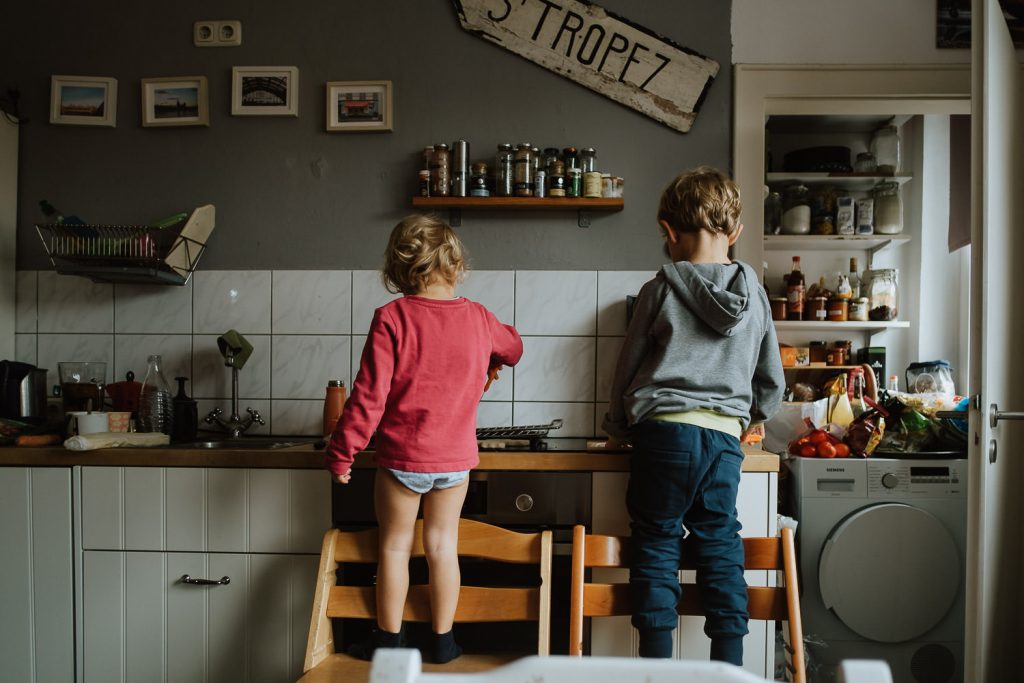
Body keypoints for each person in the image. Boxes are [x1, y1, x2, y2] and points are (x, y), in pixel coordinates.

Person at [601, 167, 785, 665]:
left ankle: (657, 667)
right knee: (719, 541)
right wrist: (754, 418)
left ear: (668, 230)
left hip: (662, 436)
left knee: (657, 543)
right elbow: (771, 379)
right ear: (736, 232)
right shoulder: (756, 296)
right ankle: (728, 664)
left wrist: (616, 428)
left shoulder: (658, 290)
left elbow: (628, 368)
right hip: (723, 440)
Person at [325, 214, 523, 664]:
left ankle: (389, 643)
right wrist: (491, 353)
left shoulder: (392, 318)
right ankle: (443, 641)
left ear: (399, 270)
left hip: (402, 461)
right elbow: (514, 347)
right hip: (455, 462)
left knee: (394, 548)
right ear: (456, 265)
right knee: (442, 547)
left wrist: (342, 454)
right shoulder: (477, 316)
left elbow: (368, 398)